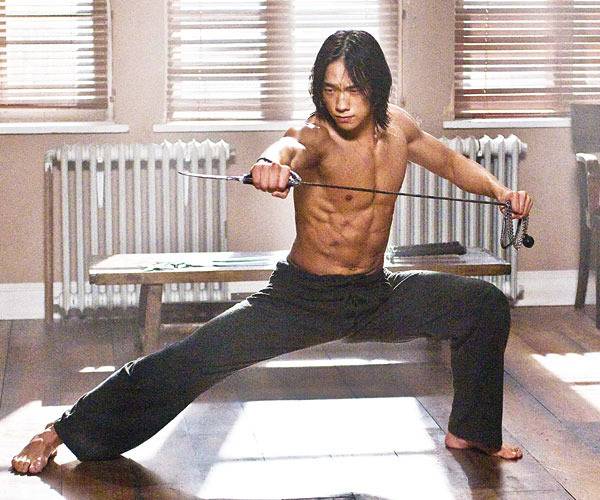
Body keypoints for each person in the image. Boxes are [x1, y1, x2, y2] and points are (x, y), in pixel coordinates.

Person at [13, 30, 532, 475]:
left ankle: (471, 429)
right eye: (330, 89)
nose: (341, 103)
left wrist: (501, 192)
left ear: (376, 87)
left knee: (482, 305)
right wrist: (269, 164)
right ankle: (62, 430)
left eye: (353, 89)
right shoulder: (315, 134)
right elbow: (286, 147)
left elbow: (450, 162)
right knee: (189, 360)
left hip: (375, 291)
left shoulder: (400, 129)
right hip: (302, 298)